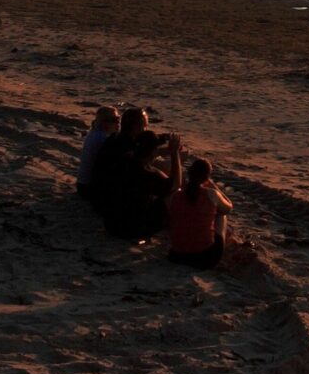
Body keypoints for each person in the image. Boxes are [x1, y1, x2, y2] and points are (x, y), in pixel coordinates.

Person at [91, 107, 181, 241]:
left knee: (160, 173)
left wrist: (163, 139)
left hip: (109, 219)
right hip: (131, 229)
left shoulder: (117, 143)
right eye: (145, 126)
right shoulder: (143, 170)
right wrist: (174, 153)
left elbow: (146, 146)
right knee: (173, 191)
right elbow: (175, 185)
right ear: (136, 127)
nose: (145, 129)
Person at [166, 158, 233, 269]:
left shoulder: (176, 196)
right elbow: (229, 208)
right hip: (204, 258)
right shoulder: (212, 193)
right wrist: (214, 186)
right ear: (207, 177)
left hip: (177, 255)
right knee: (221, 214)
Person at [75, 106, 118, 201]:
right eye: (115, 119)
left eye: (118, 119)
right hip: (88, 187)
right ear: (105, 122)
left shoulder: (94, 133)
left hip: (82, 184)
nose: (117, 123)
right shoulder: (102, 138)